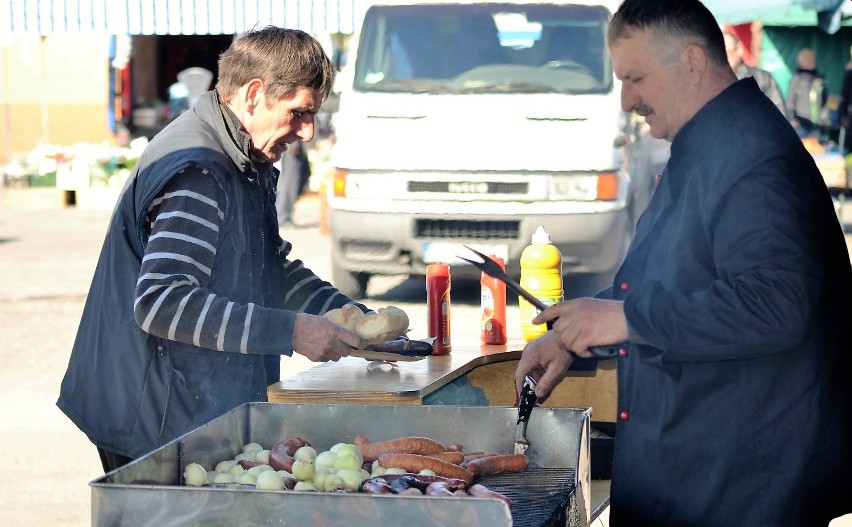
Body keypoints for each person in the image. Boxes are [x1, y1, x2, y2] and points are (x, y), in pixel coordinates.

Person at [514, 1, 852, 526]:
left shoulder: (752, 158)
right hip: (697, 476)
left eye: (636, 78)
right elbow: (670, 282)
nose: (627, 100)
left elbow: (779, 303)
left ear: (693, 63)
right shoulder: (710, 147)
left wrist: (627, 318)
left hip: (740, 491)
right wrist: (573, 331)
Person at [57, 27, 372, 473]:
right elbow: (162, 303)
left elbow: (267, 266)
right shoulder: (199, 171)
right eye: (299, 112)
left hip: (189, 406)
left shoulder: (242, 155)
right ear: (254, 95)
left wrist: (347, 314)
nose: (308, 131)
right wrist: (291, 331)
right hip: (153, 417)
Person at [722, 29, 786, 117]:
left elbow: (779, 114)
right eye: (720, 53)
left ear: (739, 49)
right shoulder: (711, 81)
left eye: (727, 52)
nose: (723, 58)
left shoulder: (762, 78)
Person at [786, 47, 827, 138]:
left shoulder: (819, 80)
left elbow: (824, 100)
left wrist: (823, 118)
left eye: (813, 60)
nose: (812, 63)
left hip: (816, 125)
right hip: (801, 124)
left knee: (815, 149)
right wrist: (792, 118)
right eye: (808, 60)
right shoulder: (797, 79)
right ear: (802, 62)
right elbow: (790, 101)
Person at [275, 139, 311, 226]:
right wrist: (292, 144)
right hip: (292, 146)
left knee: (303, 178)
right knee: (290, 185)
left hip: (299, 147)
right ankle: (282, 216)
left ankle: (285, 215)